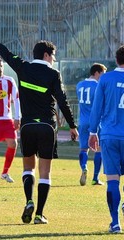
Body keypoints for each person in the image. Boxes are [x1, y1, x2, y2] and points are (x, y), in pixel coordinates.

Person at [0, 21, 78, 224]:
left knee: (27, 168)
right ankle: (40, 214)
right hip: (48, 126)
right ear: (47, 55)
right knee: (45, 171)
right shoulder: (53, 74)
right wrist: (73, 126)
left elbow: (4, 52)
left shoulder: (22, 67)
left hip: (28, 126)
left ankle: (29, 200)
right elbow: (62, 101)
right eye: (53, 55)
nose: (54, 59)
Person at [88, 45, 124, 234]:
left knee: (112, 180)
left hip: (110, 135)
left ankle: (115, 222)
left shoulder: (106, 78)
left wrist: (92, 132)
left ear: (116, 60)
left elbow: (97, 108)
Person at [76, 63, 107, 186]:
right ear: (97, 73)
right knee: (98, 149)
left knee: (84, 148)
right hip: (96, 121)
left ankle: (84, 166)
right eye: (102, 73)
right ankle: (95, 178)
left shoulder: (79, 85)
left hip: (83, 121)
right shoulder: (99, 86)